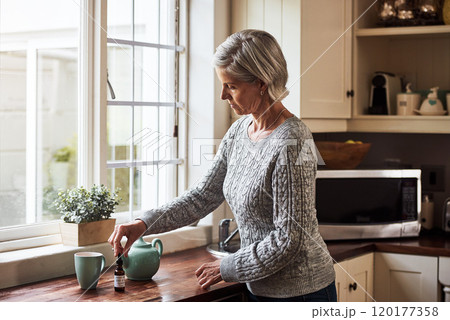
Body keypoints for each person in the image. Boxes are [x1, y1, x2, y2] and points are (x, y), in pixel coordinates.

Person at [108, 29, 336, 302]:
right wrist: (143, 223)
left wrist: (227, 267)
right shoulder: (240, 130)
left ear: (262, 83)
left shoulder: (294, 141)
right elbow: (202, 197)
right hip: (258, 288)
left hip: (302, 293)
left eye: (231, 86)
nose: (222, 96)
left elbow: (289, 239)